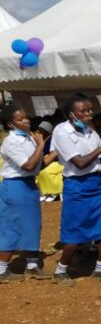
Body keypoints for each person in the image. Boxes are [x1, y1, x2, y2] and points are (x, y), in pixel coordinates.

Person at [51, 94, 101, 286]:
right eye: (83, 111)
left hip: (96, 183)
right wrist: (99, 152)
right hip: (77, 187)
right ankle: (61, 269)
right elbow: (79, 163)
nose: (88, 114)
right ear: (72, 113)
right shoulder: (62, 132)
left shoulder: (90, 131)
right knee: (75, 231)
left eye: (90, 110)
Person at [0, 105, 50, 281]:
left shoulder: (28, 138)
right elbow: (28, 165)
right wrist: (41, 145)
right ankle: (1, 269)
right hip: (16, 186)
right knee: (12, 226)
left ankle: (32, 264)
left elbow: (38, 164)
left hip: (29, 185)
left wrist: (56, 152)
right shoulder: (11, 141)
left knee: (33, 224)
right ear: (10, 124)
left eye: (26, 117)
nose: (26, 121)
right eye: (20, 119)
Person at [36, 120, 64, 202]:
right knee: (39, 172)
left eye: (41, 131)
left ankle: (53, 192)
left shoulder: (50, 140)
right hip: (48, 159)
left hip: (58, 161)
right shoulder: (42, 140)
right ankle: (45, 191)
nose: (39, 132)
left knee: (45, 172)